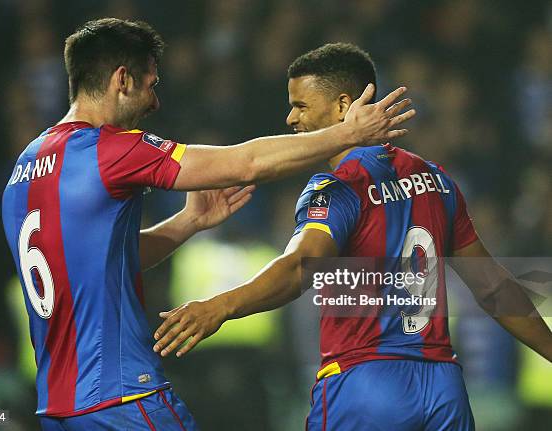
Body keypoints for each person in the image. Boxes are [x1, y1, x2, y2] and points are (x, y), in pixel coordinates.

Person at [1, 18, 415, 431]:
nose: (155, 101)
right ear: (122, 80)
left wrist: (187, 222)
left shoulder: (26, 166)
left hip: (57, 407)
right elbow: (247, 163)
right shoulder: (108, 150)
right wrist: (347, 133)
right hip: (122, 397)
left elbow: (100, 261)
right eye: (151, 84)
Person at [153, 43, 552, 430]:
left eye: (301, 105)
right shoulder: (437, 180)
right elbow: (495, 288)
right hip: (443, 388)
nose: (291, 118)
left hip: (365, 383)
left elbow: (300, 267)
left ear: (344, 106)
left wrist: (219, 307)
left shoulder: (337, 187)